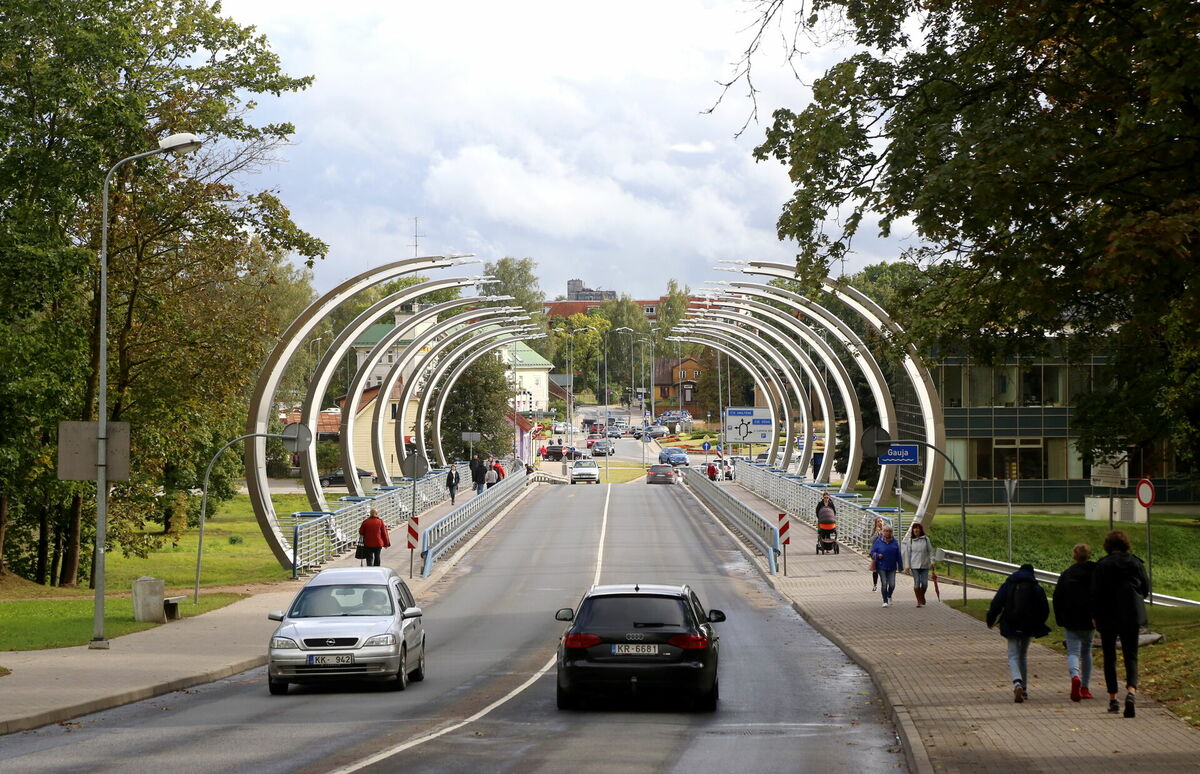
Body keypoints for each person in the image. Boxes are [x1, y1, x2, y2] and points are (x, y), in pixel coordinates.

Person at [1091, 530, 1150, 718]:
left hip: (1107, 615)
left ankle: (1113, 699)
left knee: (1109, 657)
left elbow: (1095, 592)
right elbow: (1145, 588)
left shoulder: (1101, 565)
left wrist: (1094, 615)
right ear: (1125, 544)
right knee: (1131, 655)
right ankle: (1131, 692)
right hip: (1131, 613)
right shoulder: (1135, 563)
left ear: (1108, 545)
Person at [986, 563, 1050, 703]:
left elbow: (997, 602)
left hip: (1011, 623)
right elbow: (1044, 609)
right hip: (1028, 626)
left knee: (1013, 655)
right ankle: (1025, 689)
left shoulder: (1009, 584)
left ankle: (1017, 682)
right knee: (1023, 656)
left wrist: (990, 619)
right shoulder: (1036, 587)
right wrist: (1038, 623)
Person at [1052, 543, 1097, 702]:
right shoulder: (1095, 573)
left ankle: (1075, 676)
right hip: (1090, 619)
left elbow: (1057, 598)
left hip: (1071, 619)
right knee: (1087, 652)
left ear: (1074, 556)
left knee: (1073, 652)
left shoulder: (1066, 574)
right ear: (1089, 555)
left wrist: (1060, 618)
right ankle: (1085, 687)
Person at [901, 522, 935, 607]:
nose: (916, 529)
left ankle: (922, 596)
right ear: (912, 530)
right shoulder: (910, 541)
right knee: (917, 582)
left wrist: (932, 561)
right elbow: (908, 554)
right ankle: (919, 601)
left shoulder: (926, 539)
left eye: (918, 528)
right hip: (914, 565)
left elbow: (930, 551)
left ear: (920, 530)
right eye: (914, 528)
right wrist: (907, 566)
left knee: (924, 583)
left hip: (925, 564)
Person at [870, 524, 902, 607]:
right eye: (886, 531)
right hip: (881, 566)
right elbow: (872, 553)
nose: (888, 533)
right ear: (883, 532)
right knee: (884, 583)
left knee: (892, 585)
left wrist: (900, 566)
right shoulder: (878, 541)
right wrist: (877, 555)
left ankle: (889, 595)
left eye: (889, 531)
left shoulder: (895, 542)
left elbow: (898, 555)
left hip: (892, 566)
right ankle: (885, 601)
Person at [867, 516, 885, 591]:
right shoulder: (874, 531)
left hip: (884, 552)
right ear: (876, 523)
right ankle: (875, 585)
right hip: (875, 553)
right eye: (878, 521)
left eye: (881, 521)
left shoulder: (886, 530)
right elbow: (871, 540)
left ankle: (884, 585)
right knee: (875, 569)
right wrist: (876, 533)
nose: (880, 522)